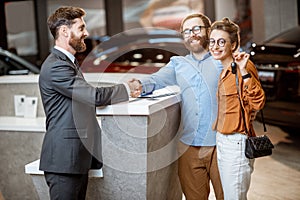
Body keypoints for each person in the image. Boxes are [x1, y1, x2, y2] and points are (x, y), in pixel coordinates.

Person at [38, 6, 134, 199]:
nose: (87, 33)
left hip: (73, 161)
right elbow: (93, 96)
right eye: (81, 28)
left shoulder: (68, 62)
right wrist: (126, 89)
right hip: (64, 162)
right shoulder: (57, 66)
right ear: (64, 31)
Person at [128, 13, 224, 200]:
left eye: (197, 29)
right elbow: (156, 80)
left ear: (209, 31)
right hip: (189, 148)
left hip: (221, 145)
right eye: (186, 31)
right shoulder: (178, 64)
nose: (192, 34)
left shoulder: (223, 61)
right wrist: (140, 85)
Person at [209, 17, 265, 199]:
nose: (215, 46)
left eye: (221, 42)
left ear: (233, 45)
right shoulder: (224, 69)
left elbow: (258, 102)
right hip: (223, 140)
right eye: (212, 41)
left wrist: (244, 71)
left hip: (237, 141)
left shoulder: (243, 66)